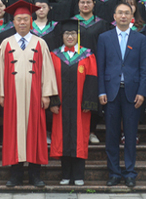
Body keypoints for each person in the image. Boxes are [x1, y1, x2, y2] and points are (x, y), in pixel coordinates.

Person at [0, 0, 58, 188]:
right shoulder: (6, 43)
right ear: (13, 22)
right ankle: (15, 175)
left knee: (35, 133)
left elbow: (47, 69)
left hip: (35, 96)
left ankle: (35, 175)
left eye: (26, 19)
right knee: (14, 133)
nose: (22, 22)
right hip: (12, 96)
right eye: (19, 19)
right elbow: (0, 70)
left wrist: (46, 94)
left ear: (31, 21)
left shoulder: (40, 43)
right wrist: (0, 93)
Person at [97, 1, 146, 186]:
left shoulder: (140, 39)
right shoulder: (104, 38)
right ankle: (113, 173)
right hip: (111, 92)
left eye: (127, 13)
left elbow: (144, 68)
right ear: (114, 16)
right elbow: (100, 67)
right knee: (111, 134)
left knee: (130, 134)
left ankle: (129, 173)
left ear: (132, 17)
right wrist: (101, 90)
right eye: (120, 13)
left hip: (132, 93)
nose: (123, 16)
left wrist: (142, 92)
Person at [49, 19, 99, 186]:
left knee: (80, 137)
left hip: (80, 106)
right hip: (61, 105)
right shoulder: (54, 55)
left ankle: (78, 175)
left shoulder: (87, 55)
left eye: (73, 34)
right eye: (67, 34)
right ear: (62, 36)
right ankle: (65, 174)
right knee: (62, 137)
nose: (70, 37)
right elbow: (49, 80)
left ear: (78, 36)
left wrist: (88, 103)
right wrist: (53, 101)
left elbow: (92, 79)